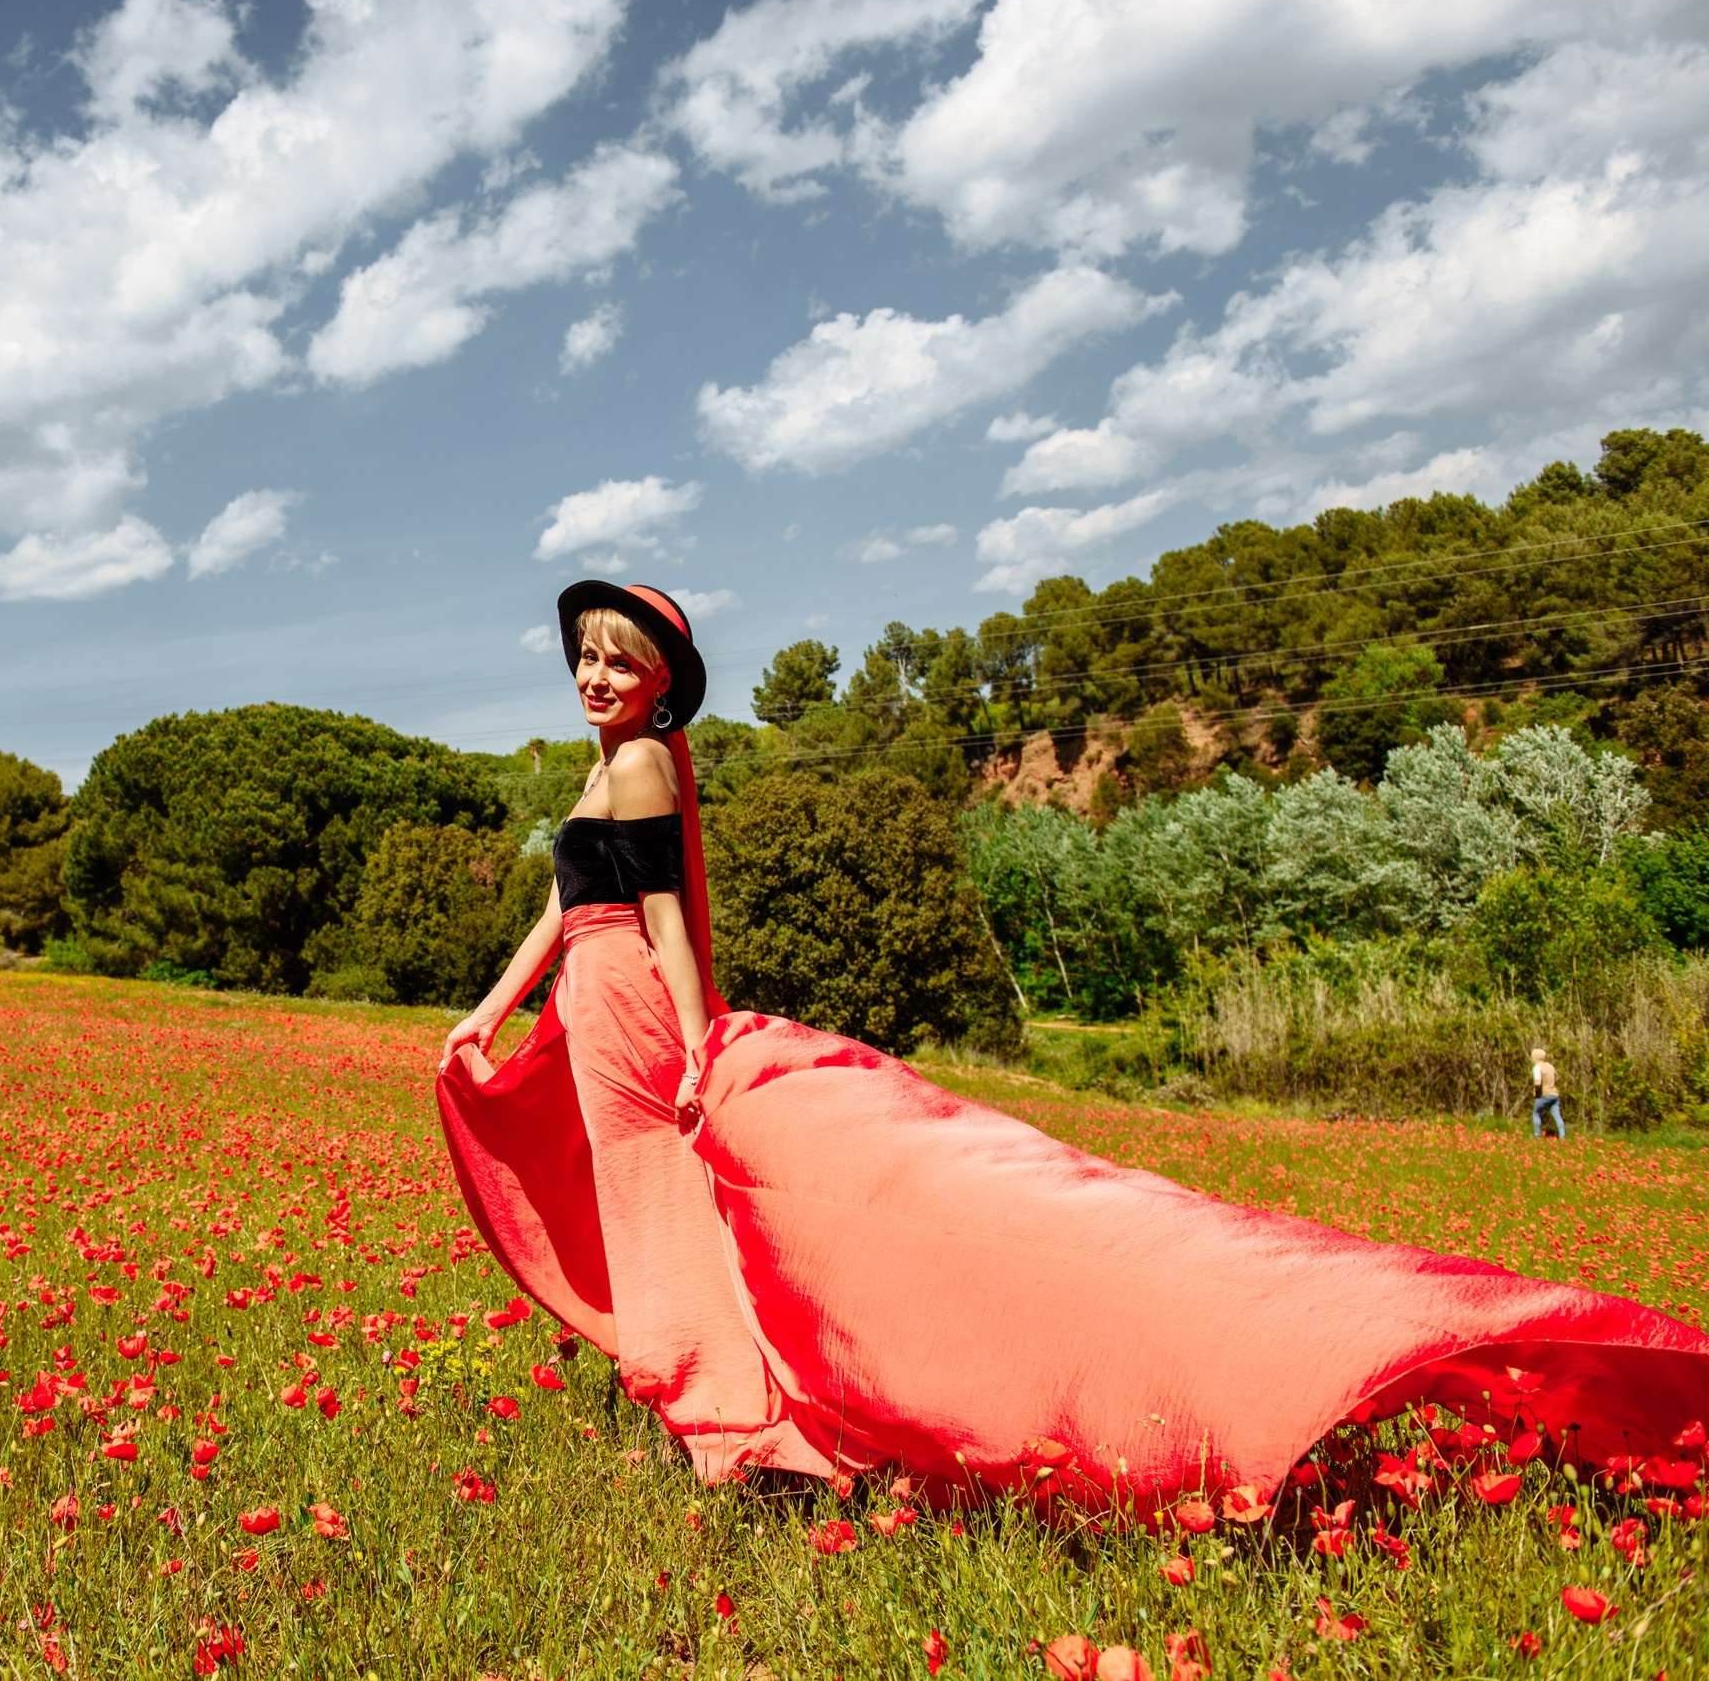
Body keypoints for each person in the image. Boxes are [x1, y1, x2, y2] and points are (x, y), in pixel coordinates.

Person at [436, 581, 1709, 1510]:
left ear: (659, 678)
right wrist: (493, 1009)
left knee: (667, 1206)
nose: (595, 675)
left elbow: (663, 919)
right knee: (657, 1207)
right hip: (586, 1001)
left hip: (634, 1009)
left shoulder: (646, 767)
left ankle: (728, 1420)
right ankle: (721, 1403)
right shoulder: (601, 769)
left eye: (618, 660)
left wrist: (697, 1044)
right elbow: (565, 902)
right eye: (584, 657)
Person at [1530, 1047, 1565, 1138]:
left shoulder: (1537, 1067)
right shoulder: (1550, 1066)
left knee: (1536, 1113)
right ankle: (1562, 1136)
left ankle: (1537, 1135)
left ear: (1535, 1057)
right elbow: (1557, 1078)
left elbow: (1538, 1083)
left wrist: (1535, 1091)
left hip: (1544, 1095)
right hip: (1554, 1094)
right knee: (1557, 1116)